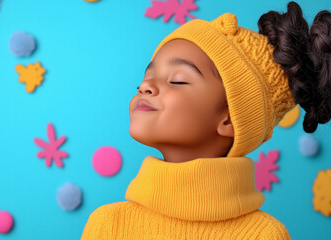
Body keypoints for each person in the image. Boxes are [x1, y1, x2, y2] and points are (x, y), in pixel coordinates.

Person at [81, 1, 331, 239]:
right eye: (147, 77)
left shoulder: (264, 236)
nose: (145, 86)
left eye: (177, 80)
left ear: (230, 119)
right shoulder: (106, 225)